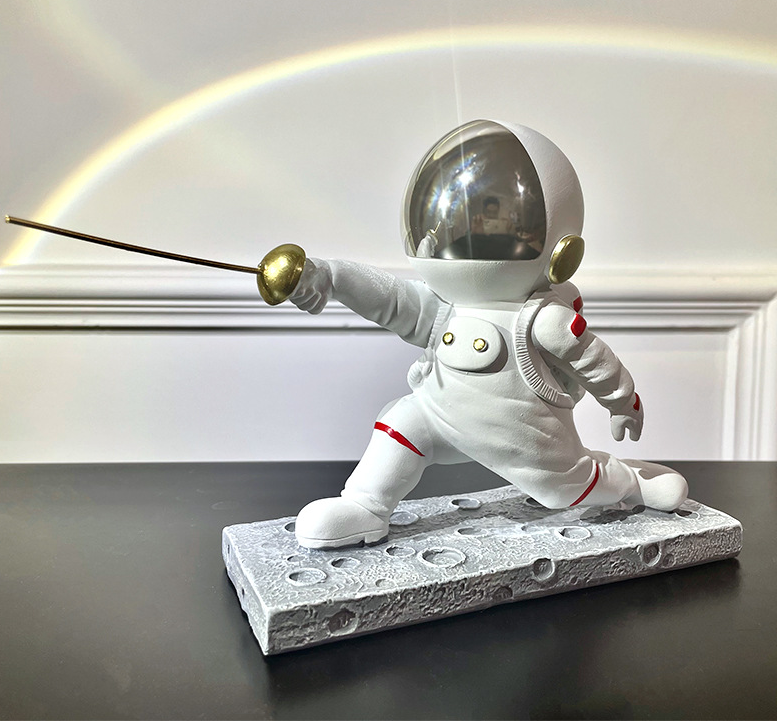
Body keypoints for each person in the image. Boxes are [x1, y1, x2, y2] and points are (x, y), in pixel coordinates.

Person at [288, 120, 688, 549]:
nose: (480, 233)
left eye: (505, 221)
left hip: (526, 437)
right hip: (438, 417)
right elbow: (390, 298)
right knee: (400, 424)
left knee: (562, 491)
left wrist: (623, 403)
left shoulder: (543, 319)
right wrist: (329, 275)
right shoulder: (444, 306)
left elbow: (594, 360)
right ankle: (366, 505)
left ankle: (632, 480)